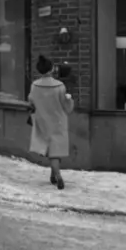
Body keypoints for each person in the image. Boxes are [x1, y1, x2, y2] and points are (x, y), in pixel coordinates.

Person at [28, 54, 74, 190]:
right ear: (52, 69)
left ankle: (53, 175)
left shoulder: (34, 86)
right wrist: (69, 99)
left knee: (51, 150)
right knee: (56, 151)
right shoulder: (60, 86)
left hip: (42, 120)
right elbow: (67, 107)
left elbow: (31, 100)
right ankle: (58, 175)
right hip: (58, 121)